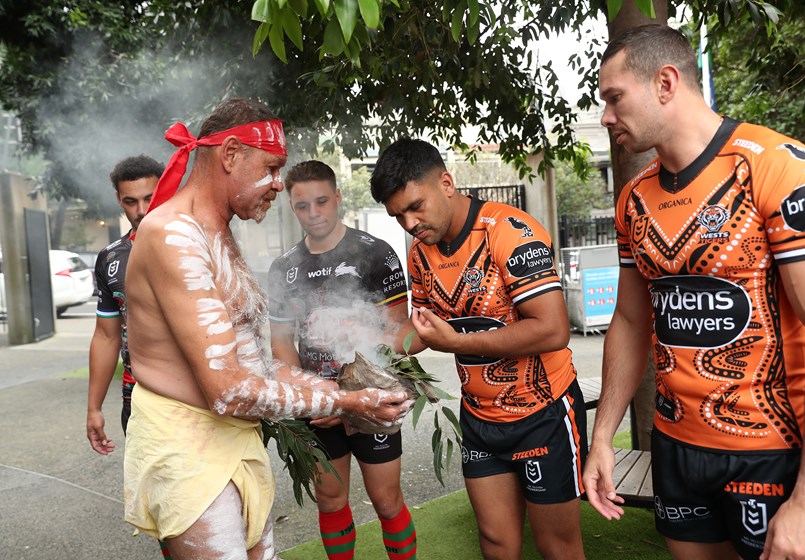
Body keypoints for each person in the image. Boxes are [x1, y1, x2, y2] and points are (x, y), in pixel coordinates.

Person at [582, 24, 805, 560]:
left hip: (773, 452)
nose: (606, 117)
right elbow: (630, 322)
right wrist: (603, 434)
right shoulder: (633, 198)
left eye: (613, 97)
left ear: (666, 82)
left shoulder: (781, 167)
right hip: (676, 447)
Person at [123, 98, 412, 560]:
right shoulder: (173, 235)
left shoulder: (214, 230)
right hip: (189, 448)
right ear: (232, 155)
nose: (279, 183)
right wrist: (342, 400)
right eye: (273, 167)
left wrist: (360, 393)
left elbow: (258, 366)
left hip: (233, 441)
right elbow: (228, 389)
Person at [370, 138, 587, 560]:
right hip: (480, 420)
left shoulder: (509, 232)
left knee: (557, 547)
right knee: (495, 543)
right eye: (398, 215)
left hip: (541, 414)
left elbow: (553, 329)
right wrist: (375, 349)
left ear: (446, 183)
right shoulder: (420, 254)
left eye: (416, 206)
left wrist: (457, 342)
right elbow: (424, 331)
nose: (410, 223)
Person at [268, 160, 417, 560]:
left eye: (321, 201)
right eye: (302, 206)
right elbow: (280, 342)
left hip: (372, 397)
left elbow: (398, 333)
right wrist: (320, 396)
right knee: (330, 502)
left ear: (337, 198)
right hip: (317, 405)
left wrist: (355, 396)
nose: (313, 213)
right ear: (291, 207)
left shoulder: (376, 254)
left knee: (387, 501)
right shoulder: (283, 268)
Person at [87, 155, 163, 455]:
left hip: (191, 396)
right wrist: (94, 407)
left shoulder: (194, 243)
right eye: (131, 201)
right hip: (137, 396)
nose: (142, 211)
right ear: (119, 199)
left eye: (149, 198)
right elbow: (106, 336)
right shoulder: (110, 259)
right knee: (150, 497)